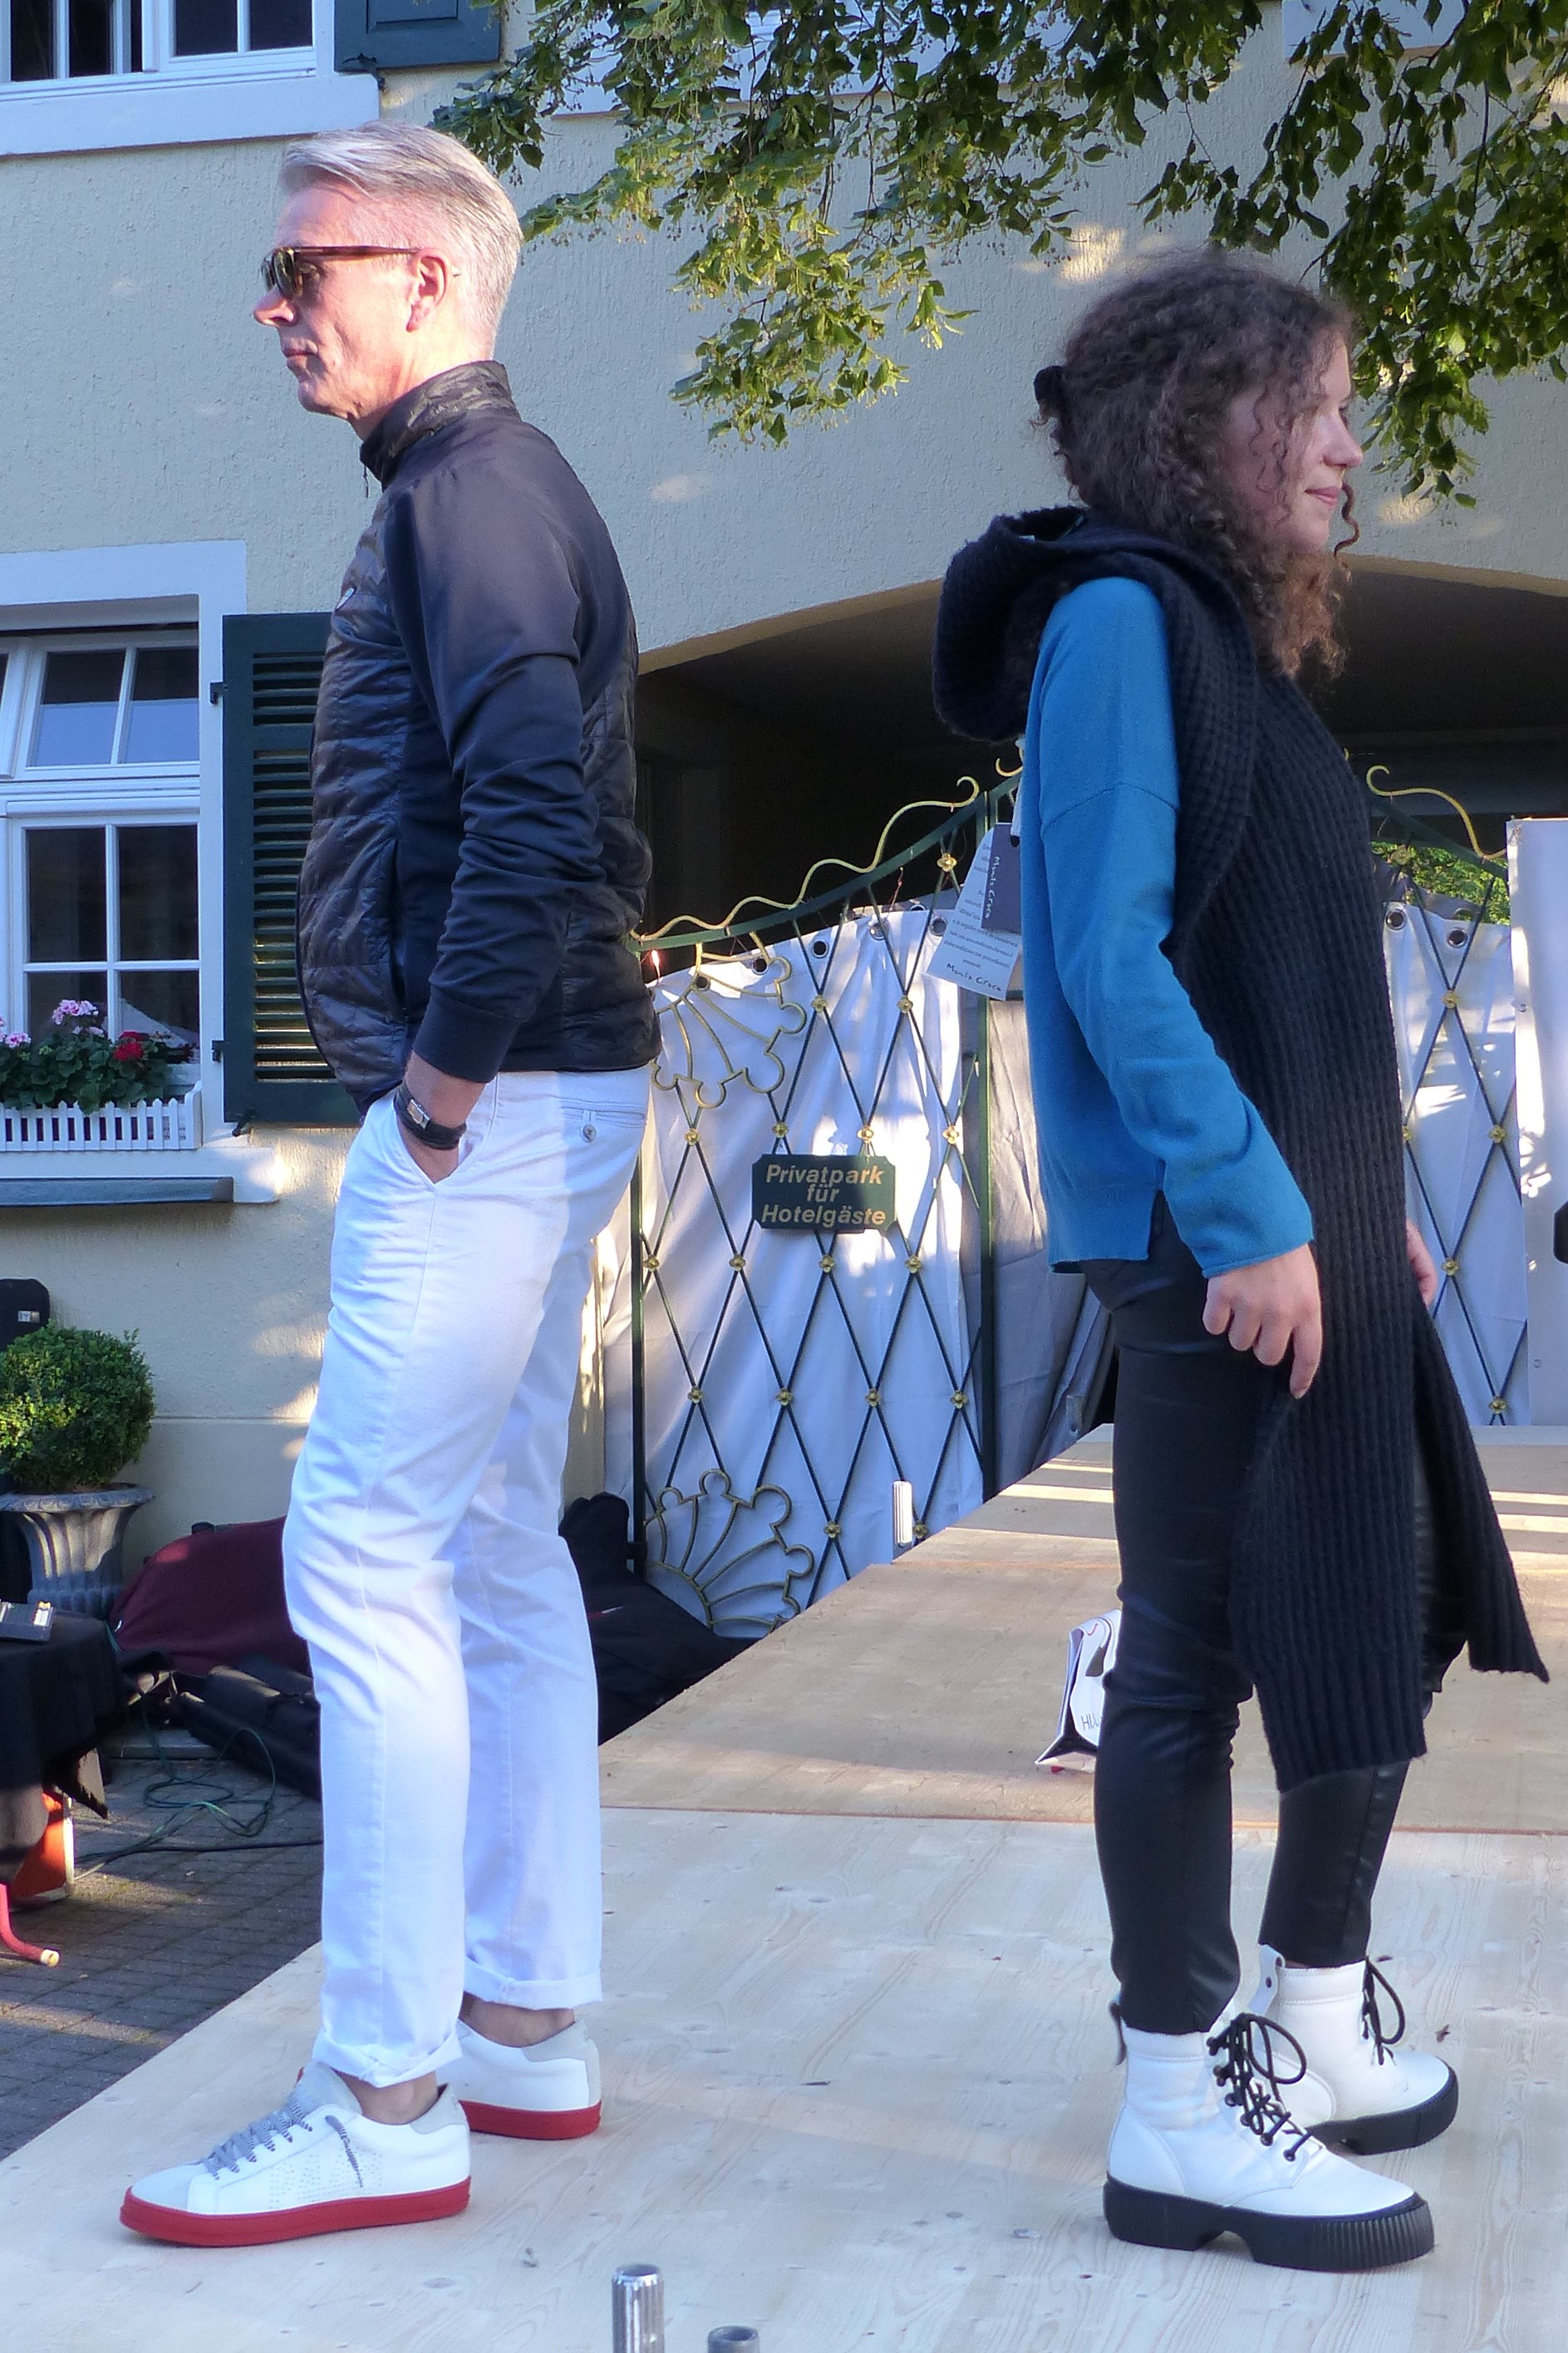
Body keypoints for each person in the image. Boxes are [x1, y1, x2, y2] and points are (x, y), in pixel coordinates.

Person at [933, 249, 1545, 2274]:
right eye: (1320, 406)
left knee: (1390, 1589)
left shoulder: (1221, 637)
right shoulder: (1120, 619)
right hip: (1211, 1250)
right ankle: (1179, 2106)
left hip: (1293, 1226)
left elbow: (1261, 966)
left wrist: (1346, 1196)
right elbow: (1104, 959)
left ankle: (1311, 2004)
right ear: (1206, 424)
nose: (1350, 446)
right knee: (1186, 1664)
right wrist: (1251, 1211)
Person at [122, 122, 658, 2247]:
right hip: (537, 1095)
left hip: (489, 1105)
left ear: (426, 278)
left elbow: (534, 809)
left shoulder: (472, 497)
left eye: (305, 268)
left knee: (362, 1559)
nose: (271, 305)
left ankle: (382, 2092)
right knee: (496, 1550)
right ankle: (522, 2026)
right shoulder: (472, 488)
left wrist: (436, 1078)